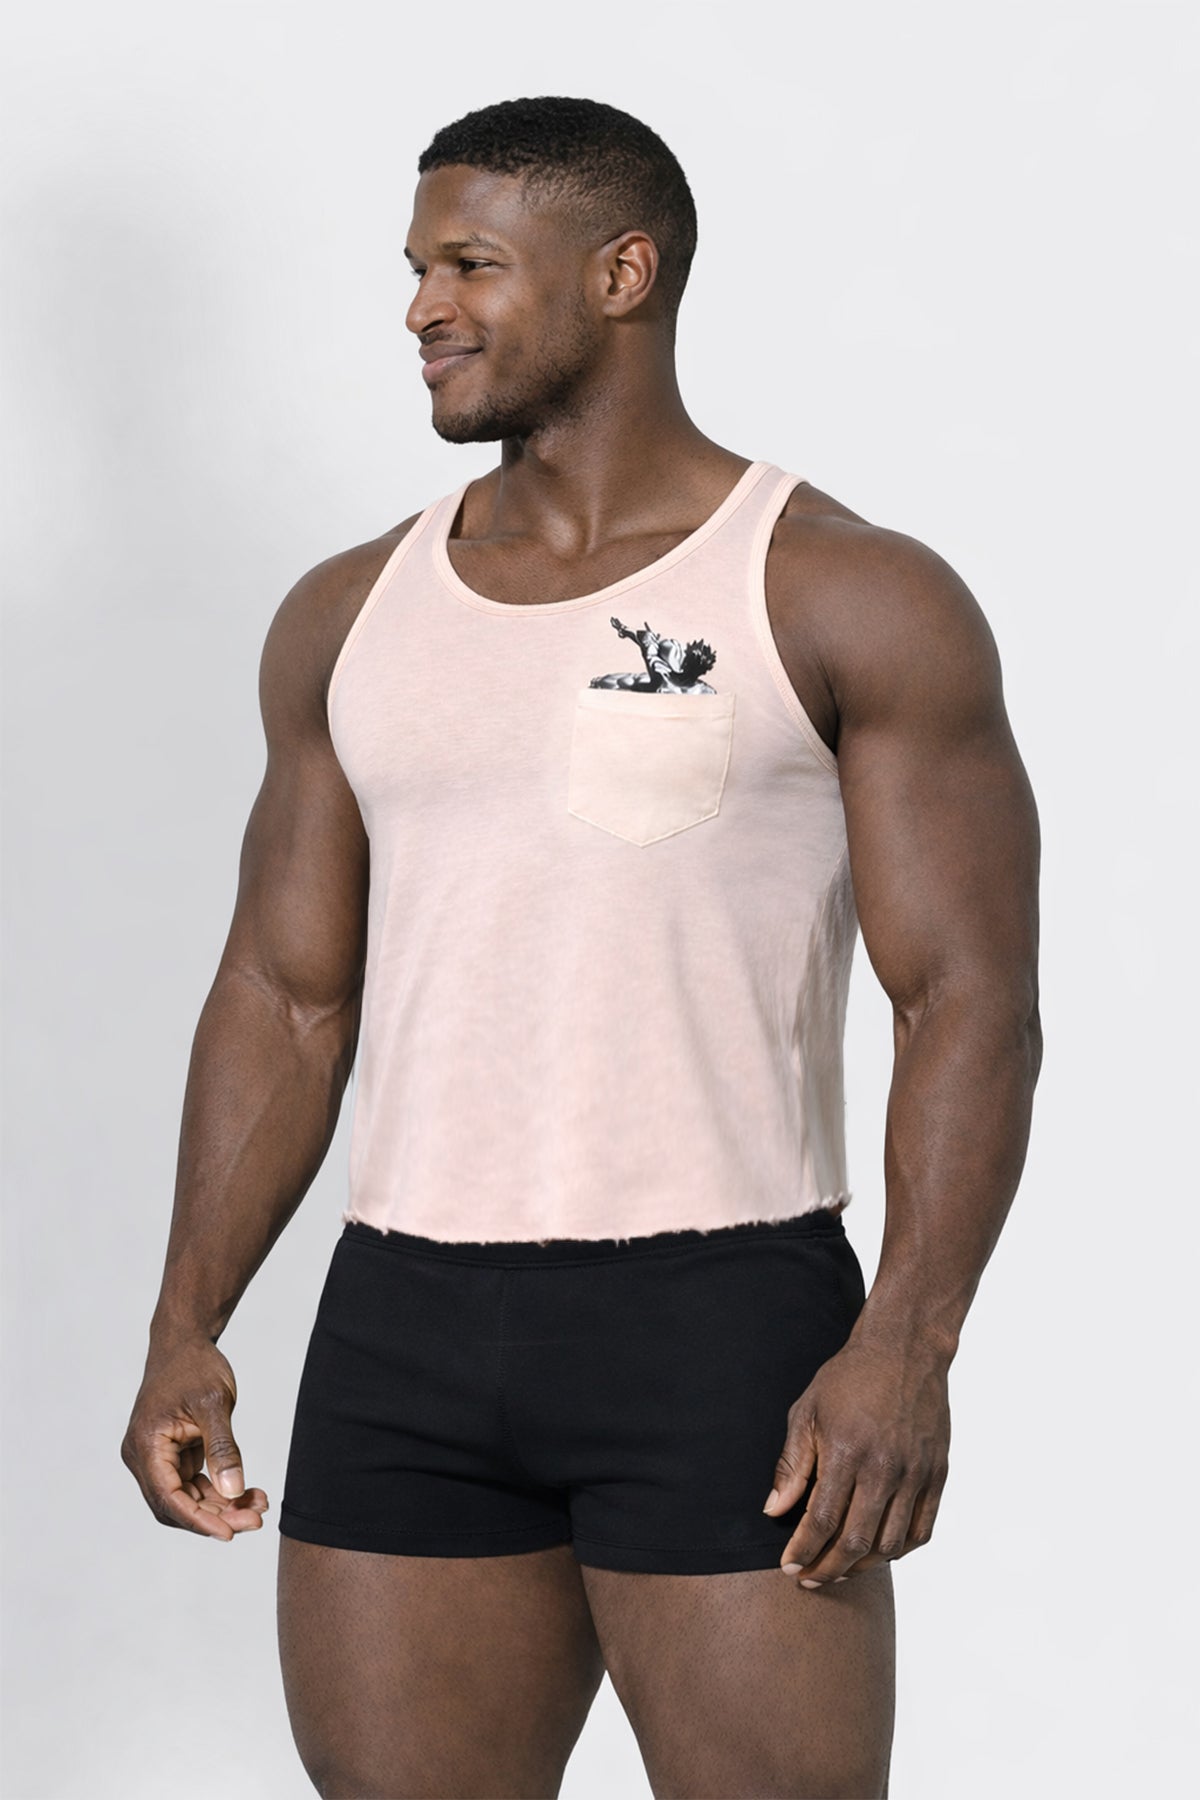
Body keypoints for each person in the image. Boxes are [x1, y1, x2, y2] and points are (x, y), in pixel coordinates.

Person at [121, 94, 1042, 1800]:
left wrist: (909, 1341)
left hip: (720, 1323)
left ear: (624, 274)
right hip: (404, 1321)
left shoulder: (841, 590)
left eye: (470, 265)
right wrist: (187, 1320)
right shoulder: (350, 613)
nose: (421, 308)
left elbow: (967, 997)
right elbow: (286, 993)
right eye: (415, 269)